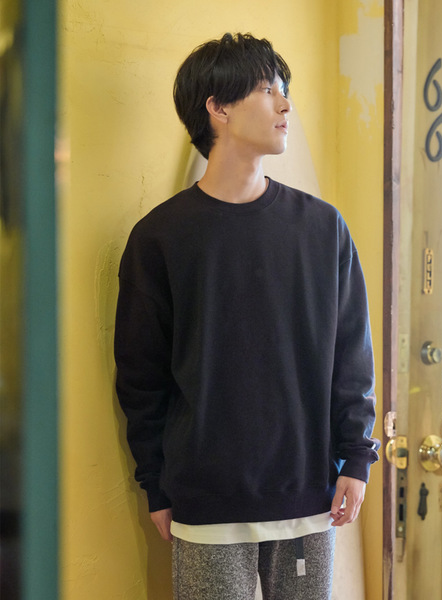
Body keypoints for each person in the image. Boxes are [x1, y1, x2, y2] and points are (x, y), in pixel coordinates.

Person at [114, 32, 379, 600]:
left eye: (285, 90)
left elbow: (352, 353)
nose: (286, 104)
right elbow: (141, 377)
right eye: (267, 89)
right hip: (205, 503)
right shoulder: (159, 238)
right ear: (219, 107)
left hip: (308, 498)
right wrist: (154, 484)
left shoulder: (322, 228)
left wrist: (357, 458)